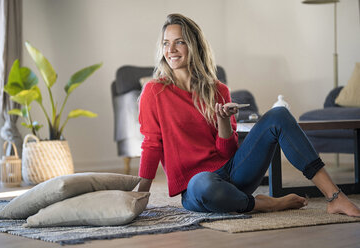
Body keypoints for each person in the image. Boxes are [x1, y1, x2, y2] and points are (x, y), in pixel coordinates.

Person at [138, 13, 360, 217]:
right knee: (203, 184)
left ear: (193, 45)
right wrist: (140, 198)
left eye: (179, 42)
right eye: (166, 43)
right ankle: (266, 204)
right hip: (198, 187)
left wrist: (223, 121)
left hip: (233, 173)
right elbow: (151, 146)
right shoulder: (155, 91)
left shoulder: (218, 90)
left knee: (278, 115)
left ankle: (335, 197)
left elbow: (227, 152)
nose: (171, 49)